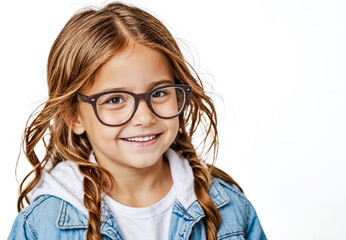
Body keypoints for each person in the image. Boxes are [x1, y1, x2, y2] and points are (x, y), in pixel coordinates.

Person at [8, 2, 267, 240]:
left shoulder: (230, 207)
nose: (144, 117)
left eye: (159, 93)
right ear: (74, 116)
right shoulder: (40, 227)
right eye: (115, 99)